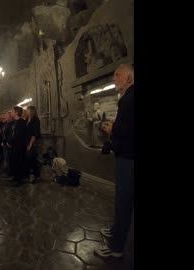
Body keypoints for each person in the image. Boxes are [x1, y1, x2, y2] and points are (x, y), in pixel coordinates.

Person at [95, 64, 135, 258]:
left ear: (129, 78)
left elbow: (129, 131)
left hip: (128, 158)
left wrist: (113, 129)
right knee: (122, 199)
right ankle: (116, 230)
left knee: (123, 201)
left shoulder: (129, 98)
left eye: (117, 75)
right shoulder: (127, 98)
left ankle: (116, 248)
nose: (114, 79)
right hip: (127, 156)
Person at [8, 106, 28, 186]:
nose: (11, 112)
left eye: (12, 111)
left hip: (19, 147)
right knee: (14, 162)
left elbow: (19, 135)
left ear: (16, 112)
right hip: (13, 146)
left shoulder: (22, 123)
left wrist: (12, 142)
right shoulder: (14, 122)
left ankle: (19, 180)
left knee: (19, 163)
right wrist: (9, 142)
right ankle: (15, 177)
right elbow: (11, 133)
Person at [26, 106, 42, 184]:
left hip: (33, 142)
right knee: (30, 159)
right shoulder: (28, 119)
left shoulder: (35, 120)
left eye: (27, 110)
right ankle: (32, 175)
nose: (26, 111)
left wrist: (30, 145)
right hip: (29, 142)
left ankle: (37, 176)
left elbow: (34, 134)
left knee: (33, 160)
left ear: (31, 111)